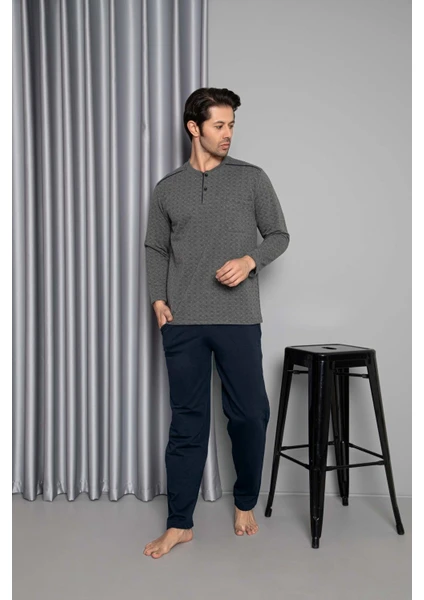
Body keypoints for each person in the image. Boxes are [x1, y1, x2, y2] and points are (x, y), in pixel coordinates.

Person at [143, 87, 290, 558]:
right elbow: (155, 248)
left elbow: (279, 235)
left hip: (237, 317)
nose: (228, 134)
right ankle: (179, 523)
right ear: (195, 128)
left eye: (231, 126)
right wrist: (158, 299)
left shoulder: (251, 179)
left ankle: (244, 501)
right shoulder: (167, 188)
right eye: (219, 125)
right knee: (187, 422)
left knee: (250, 414)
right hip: (183, 320)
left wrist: (249, 261)